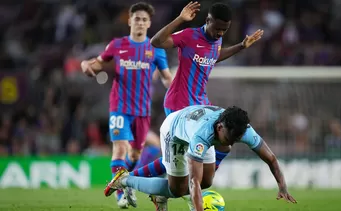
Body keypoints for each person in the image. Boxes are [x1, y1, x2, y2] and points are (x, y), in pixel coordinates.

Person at [125, 1, 263, 208]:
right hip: (179, 105)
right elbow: (156, 41)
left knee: (220, 145)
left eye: (224, 30)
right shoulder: (190, 36)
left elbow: (214, 55)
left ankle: (177, 189)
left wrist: (240, 46)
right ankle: (134, 181)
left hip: (201, 105)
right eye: (217, 28)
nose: (219, 34)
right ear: (207, 21)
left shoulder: (217, 39)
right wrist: (180, 19)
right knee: (181, 160)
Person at [105, 105, 297, 211]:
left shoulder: (241, 129)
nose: (233, 142)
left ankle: (160, 195)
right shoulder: (201, 137)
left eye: (238, 139)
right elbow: (193, 182)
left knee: (208, 180)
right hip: (175, 132)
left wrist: (282, 186)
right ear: (221, 128)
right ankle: (125, 180)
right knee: (178, 188)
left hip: (195, 125)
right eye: (231, 138)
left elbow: (271, 158)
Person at [80, 2, 172, 208]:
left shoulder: (155, 50)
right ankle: (120, 194)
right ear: (130, 21)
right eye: (137, 18)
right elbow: (98, 62)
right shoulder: (117, 45)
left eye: (144, 20)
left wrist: (177, 92)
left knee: (134, 155)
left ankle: (126, 181)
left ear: (149, 24)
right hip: (120, 107)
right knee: (120, 149)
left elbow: (166, 77)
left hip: (142, 111)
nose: (140, 22)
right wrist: (87, 65)